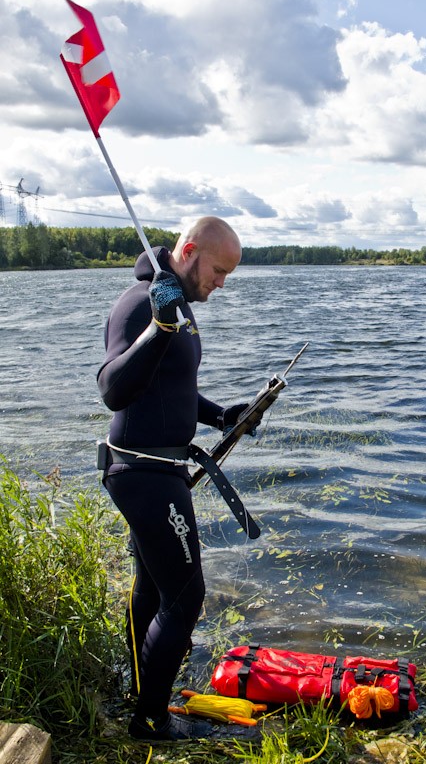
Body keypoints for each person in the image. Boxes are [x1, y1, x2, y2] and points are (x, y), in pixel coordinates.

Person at [97, 216, 256, 742]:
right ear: (188, 250)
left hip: (160, 467)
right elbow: (113, 388)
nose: (221, 283)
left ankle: (141, 687)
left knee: (153, 587)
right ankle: (150, 720)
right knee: (185, 598)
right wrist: (157, 328)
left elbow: (171, 386)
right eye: (218, 270)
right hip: (143, 473)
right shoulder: (142, 302)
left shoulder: (177, 302)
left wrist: (222, 417)